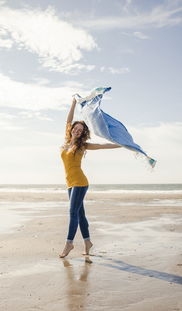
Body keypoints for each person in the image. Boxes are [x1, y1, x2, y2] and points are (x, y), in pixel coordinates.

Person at [59, 97, 121, 258]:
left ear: (83, 133)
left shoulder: (82, 145)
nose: (77, 131)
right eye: (75, 128)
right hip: (70, 184)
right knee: (80, 215)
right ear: (72, 129)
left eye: (80, 130)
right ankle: (87, 243)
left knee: (73, 213)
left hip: (80, 183)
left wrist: (121, 144)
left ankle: (69, 243)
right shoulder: (67, 142)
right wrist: (73, 103)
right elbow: (68, 119)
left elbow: (102, 146)